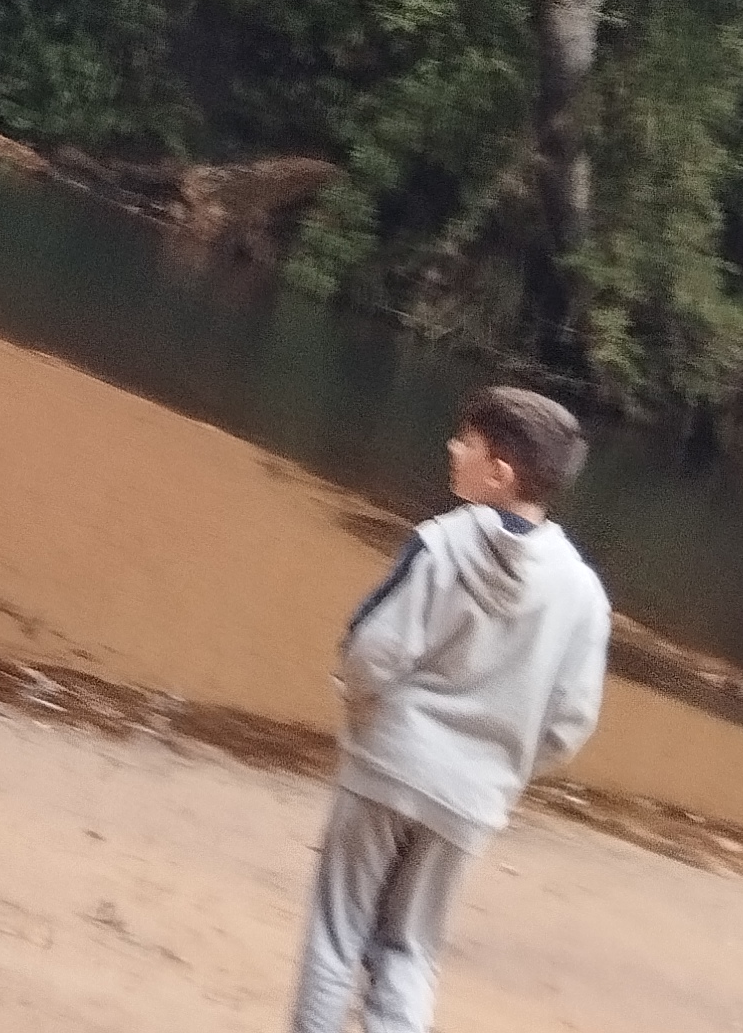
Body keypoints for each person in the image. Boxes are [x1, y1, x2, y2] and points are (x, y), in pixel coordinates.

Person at [288, 383, 612, 1033]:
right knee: (409, 950)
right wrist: (503, 765)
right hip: (471, 800)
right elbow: (569, 723)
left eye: (466, 439)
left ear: (499, 472)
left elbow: (371, 652)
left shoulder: (441, 544)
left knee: (338, 930)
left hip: (388, 764)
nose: (452, 447)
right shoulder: (583, 594)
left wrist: (363, 712)